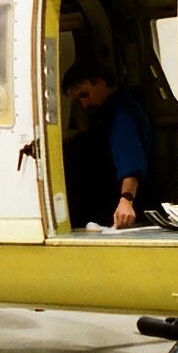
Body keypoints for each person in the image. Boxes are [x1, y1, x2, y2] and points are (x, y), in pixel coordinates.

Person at [61, 62, 154, 229]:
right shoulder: (109, 111)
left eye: (85, 94)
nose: (84, 104)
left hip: (123, 206)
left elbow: (130, 158)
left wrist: (126, 200)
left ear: (101, 82)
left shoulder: (120, 114)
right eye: (78, 100)